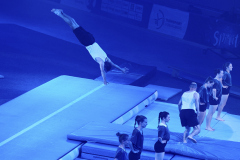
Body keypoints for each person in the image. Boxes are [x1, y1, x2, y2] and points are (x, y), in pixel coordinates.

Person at [51, 9, 128, 85]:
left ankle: (62, 12)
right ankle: (59, 13)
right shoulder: (101, 61)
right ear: (104, 66)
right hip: (86, 41)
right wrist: (104, 81)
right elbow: (102, 71)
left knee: (74, 23)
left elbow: (114, 65)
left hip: (91, 39)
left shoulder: (107, 59)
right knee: (72, 25)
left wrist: (122, 70)